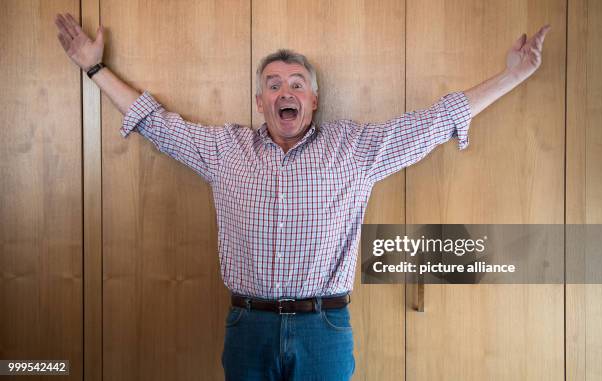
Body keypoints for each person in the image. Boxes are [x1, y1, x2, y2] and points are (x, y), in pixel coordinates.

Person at [55, 12, 551, 380]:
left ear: (313, 100)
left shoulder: (353, 149)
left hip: (324, 330)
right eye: (273, 85)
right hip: (248, 326)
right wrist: (95, 70)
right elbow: (156, 124)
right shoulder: (225, 150)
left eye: (296, 84)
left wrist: (512, 75)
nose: (284, 91)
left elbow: (436, 121)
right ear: (260, 102)